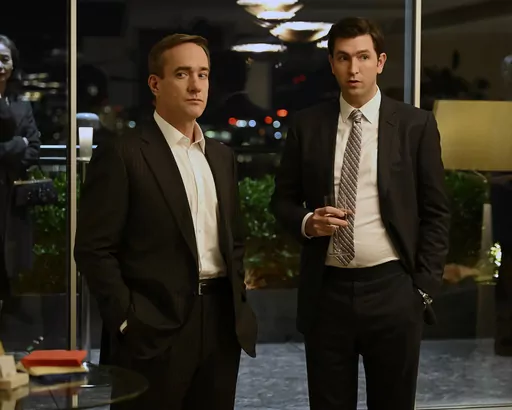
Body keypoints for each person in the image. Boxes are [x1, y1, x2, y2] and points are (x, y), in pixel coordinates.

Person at [270, 17, 450, 410]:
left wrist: (422, 289)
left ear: (380, 62)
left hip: (394, 291)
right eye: (344, 58)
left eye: (363, 57)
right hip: (327, 294)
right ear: (332, 64)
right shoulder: (307, 125)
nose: (354, 68)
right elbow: (281, 201)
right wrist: (307, 223)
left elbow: (436, 212)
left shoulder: (415, 125)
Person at [74, 34, 257, 410]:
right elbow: (94, 250)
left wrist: (237, 302)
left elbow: (234, 240)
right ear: (155, 84)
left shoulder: (221, 156)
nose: (196, 86)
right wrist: (127, 320)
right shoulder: (124, 154)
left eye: (203, 74)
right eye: (183, 74)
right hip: (152, 329)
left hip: (221, 325)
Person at [0, 35, 41, 308]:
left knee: (12, 257)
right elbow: (25, 144)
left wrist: (15, 149)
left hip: (13, 194)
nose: (0, 65)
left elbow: (34, 146)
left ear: (13, 64)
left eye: (4, 59)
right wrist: (18, 144)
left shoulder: (21, 103)